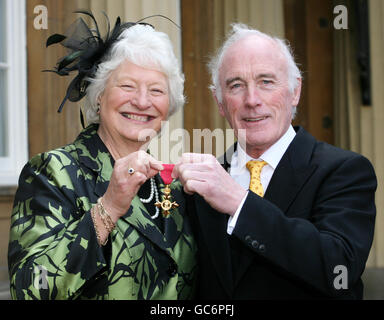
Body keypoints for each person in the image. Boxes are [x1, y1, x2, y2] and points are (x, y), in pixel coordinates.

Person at [172, 23, 376, 299]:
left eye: (266, 82)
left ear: (295, 91)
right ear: (219, 102)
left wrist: (240, 203)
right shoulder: (204, 183)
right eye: (236, 85)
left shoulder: (345, 171)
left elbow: (338, 268)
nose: (252, 100)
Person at [8, 12, 196, 300]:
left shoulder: (174, 184)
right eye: (127, 86)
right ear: (99, 96)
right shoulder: (53, 172)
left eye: (156, 90)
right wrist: (107, 209)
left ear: (168, 105)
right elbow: (31, 288)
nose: (142, 101)